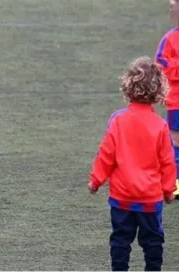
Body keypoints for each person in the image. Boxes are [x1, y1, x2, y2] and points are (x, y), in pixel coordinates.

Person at [88, 56, 177, 271]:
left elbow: (106, 154)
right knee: (153, 241)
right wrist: (168, 190)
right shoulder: (160, 126)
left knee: (120, 239)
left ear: (128, 87)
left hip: (121, 197)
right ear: (158, 92)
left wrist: (96, 180)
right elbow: (167, 161)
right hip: (149, 198)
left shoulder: (118, 121)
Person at [155, 0, 179, 198]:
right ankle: (176, 184)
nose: (171, 9)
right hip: (177, 103)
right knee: (176, 141)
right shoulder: (170, 39)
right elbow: (161, 64)